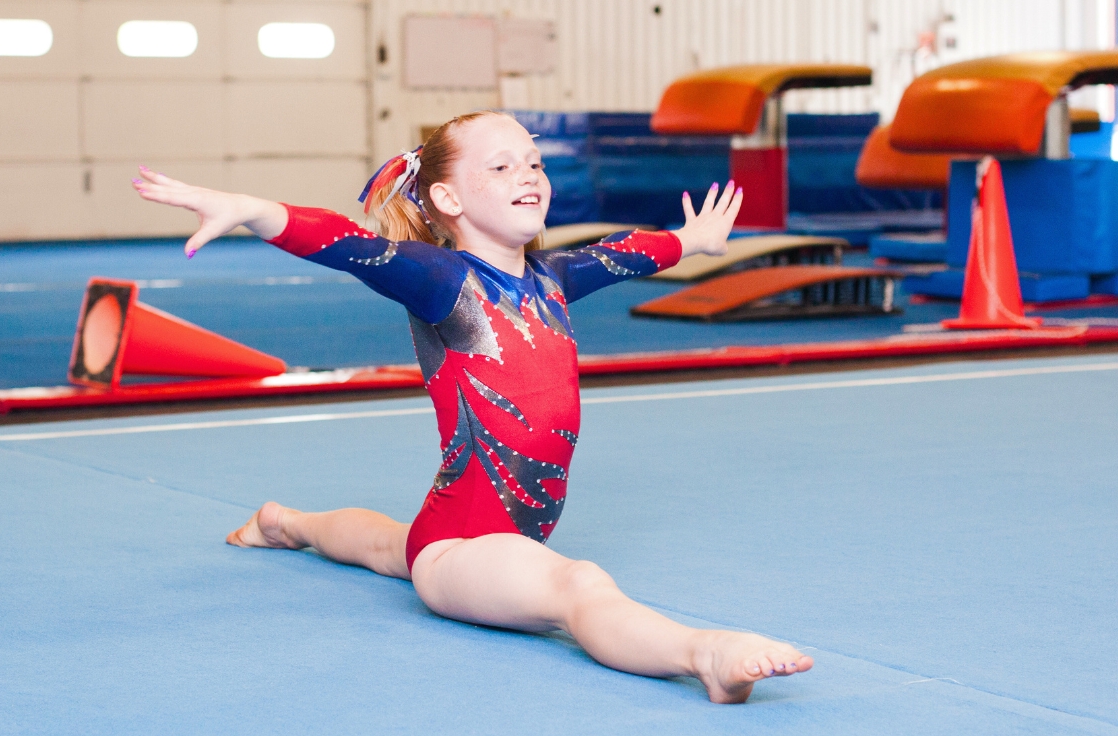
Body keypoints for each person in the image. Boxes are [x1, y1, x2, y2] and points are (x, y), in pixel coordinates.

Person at [131, 110, 813, 703]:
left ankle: (287, 523)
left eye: (535, 161)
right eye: (503, 164)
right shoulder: (442, 281)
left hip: (450, 523)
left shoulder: (550, 277)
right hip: (467, 551)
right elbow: (348, 245)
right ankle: (705, 655)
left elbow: (623, 254)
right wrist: (255, 210)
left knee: (381, 543)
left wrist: (691, 242)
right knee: (577, 587)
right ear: (447, 198)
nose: (529, 174)